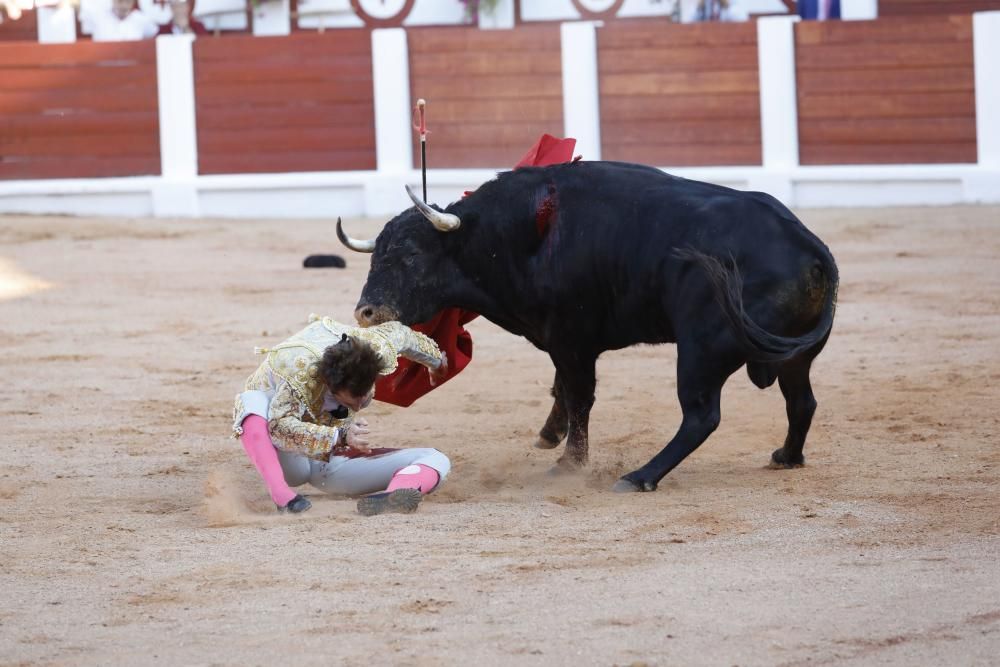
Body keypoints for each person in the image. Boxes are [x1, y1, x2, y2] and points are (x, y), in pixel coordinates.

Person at [232, 314, 451, 516]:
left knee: (436, 458)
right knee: (251, 400)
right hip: (285, 460)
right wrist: (341, 436)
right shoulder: (298, 371)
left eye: (363, 398)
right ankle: (283, 497)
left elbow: (404, 335)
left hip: (328, 466)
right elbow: (279, 430)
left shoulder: (377, 348)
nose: (356, 408)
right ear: (328, 384)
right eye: (347, 401)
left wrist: (437, 363)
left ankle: (392, 495)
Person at [82, 0, 158, 42]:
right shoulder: (97, 17)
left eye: (128, 2)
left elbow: (151, 39)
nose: (124, 6)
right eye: (120, 1)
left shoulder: (142, 20)